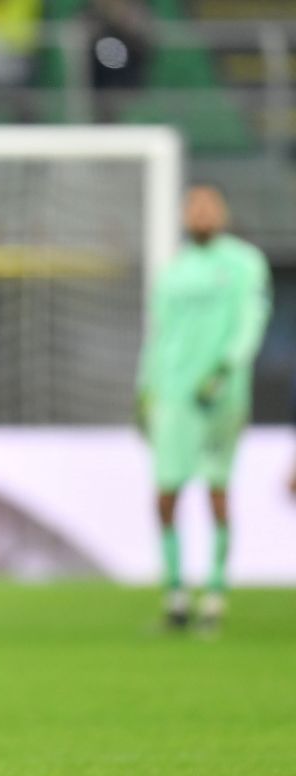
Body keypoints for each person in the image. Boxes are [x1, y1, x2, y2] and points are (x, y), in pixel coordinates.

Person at [136, 185, 271, 630]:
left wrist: (225, 369)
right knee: (166, 493)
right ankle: (175, 595)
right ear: (184, 216)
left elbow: (250, 323)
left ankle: (214, 593)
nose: (202, 213)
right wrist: (145, 388)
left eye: (210, 206)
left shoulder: (244, 263)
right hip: (172, 396)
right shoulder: (173, 270)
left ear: (223, 213)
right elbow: (158, 334)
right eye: (194, 207)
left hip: (221, 395)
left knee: (216, 490)